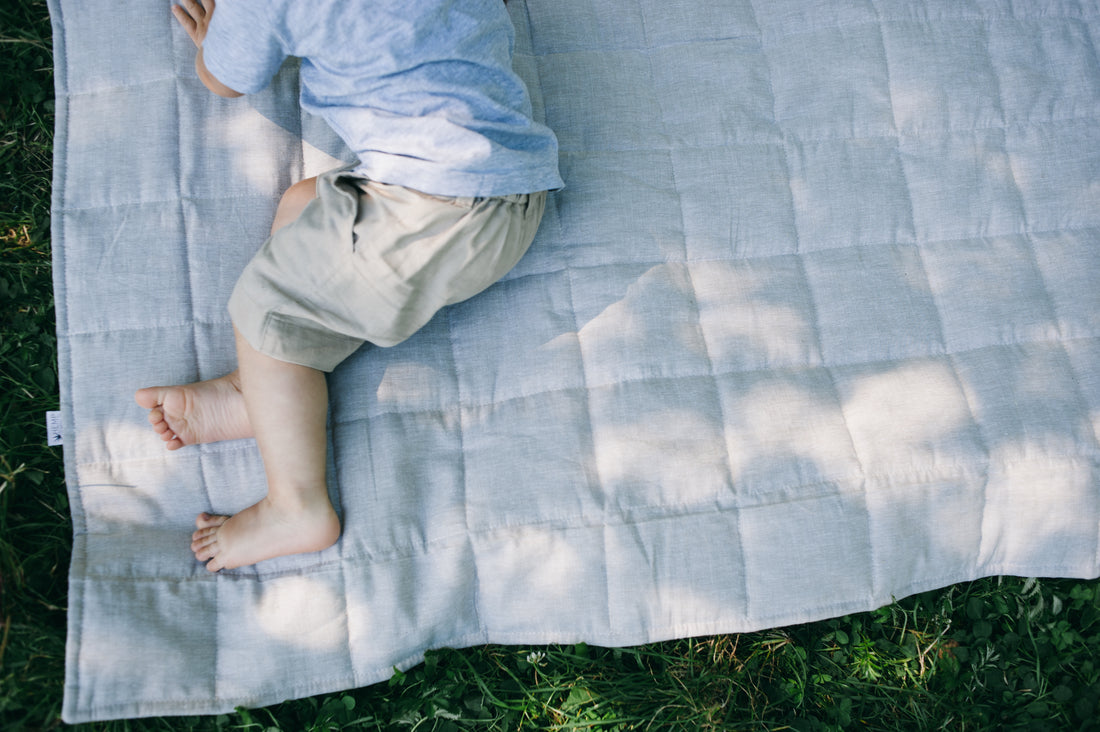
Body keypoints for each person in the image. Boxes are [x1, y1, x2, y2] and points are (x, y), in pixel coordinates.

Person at [135, 0, 562, 572]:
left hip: (439, 210)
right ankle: (258, 392)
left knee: (270, 310)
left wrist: (219, 34)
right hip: (502, 177)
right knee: (302, 207)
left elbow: (224, 77)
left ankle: (297, 504)